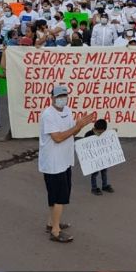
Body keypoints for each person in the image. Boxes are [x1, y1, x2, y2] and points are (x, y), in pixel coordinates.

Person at [38, 85, 95, 243]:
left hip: (64, 160)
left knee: (56, 196)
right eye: (59, 96)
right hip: (53, 163)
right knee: (59, 197)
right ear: (52, 98)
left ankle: (52, 223)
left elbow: (71, 132)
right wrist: (76, 127)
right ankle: (56, 232)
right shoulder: (48, 115)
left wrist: (79, 126)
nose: (62, 98)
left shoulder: (67, 110)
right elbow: (57, 138)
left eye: (65, 95)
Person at [85, 119, 115, 196]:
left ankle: (104, 186)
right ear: (94, 128)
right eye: (98, 132)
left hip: (103, 157)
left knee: (104, 172)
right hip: (94, 159)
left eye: (102, 132)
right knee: (94, 174)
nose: (100, 133)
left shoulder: (105, 134)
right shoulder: (88, 134)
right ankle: (94, 188)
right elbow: (84, 147)